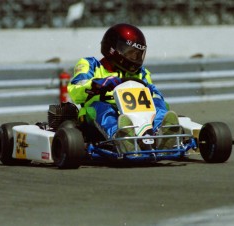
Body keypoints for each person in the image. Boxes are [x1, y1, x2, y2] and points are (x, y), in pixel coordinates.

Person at [68, 23, 180, 153]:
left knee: (159, 103)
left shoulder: (141, 73)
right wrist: (96, 84)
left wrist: (154, 98)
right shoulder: (91, 65)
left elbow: (155, 94)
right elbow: (75, 90)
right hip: (97, 114)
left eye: (138, 54)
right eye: (130, 52)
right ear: (113, 48)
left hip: (137, 114)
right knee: (101, 108)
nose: (134, 58)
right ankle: (122, 138)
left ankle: (160, 134)